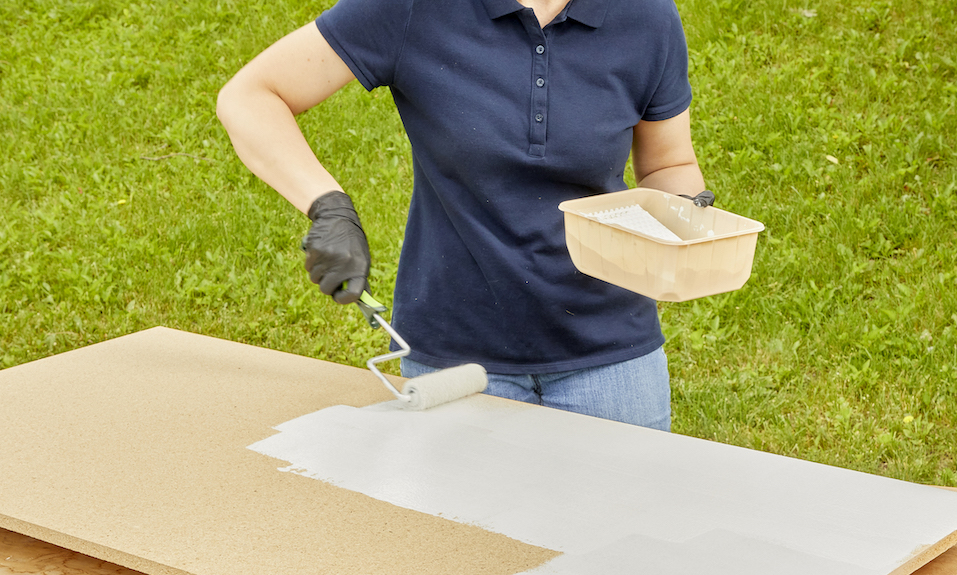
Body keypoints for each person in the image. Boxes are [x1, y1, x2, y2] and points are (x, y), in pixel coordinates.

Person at [216, 0, 710, 431]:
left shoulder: (645, 16)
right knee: (463, 541)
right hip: (455, 365)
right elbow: (252, 96)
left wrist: (685, 217)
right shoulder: (416, 8)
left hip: (613, 363)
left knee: (620, 537)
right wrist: (329, 208)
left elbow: (669, 164)